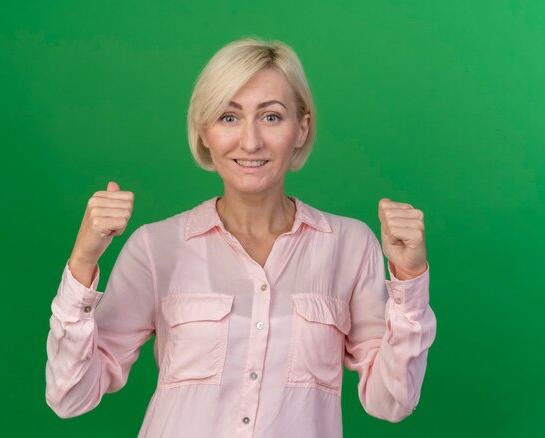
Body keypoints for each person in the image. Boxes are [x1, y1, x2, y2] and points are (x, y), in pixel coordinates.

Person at [45, 37, 436, 437]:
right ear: (204, 132)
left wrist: (409, 278)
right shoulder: (155, 247)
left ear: (301, 129)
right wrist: (82, 262)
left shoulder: (350, 246)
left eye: (271, 117)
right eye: (229, 118)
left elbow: (392, 401)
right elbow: (71, 395)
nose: (250, 142)